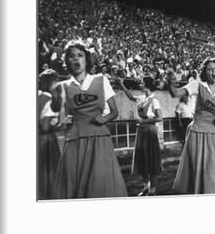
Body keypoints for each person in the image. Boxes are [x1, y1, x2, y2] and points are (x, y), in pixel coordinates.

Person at [53, 40, 128, 199]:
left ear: (86, 59)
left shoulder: (101, 80)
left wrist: (104, 118)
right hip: (75, 141)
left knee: (100, 188)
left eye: (80, 55)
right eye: (72, 56)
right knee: (73, 190)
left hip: (99, 140)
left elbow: (115, 112)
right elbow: (60, 120)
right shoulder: (63, 86)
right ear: (67, 61)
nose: (76, 59)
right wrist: (62, 122)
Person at [166, 58, 215, 194]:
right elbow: (176, 93)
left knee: (213, 170)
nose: (213, 71)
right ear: (204, 72)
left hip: (214, 135)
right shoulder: (197, 85)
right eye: (209, 69)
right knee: (197, 170)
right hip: (197, 133)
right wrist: (170, 81)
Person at [119, 77, 163, 196]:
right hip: (141, 132)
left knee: (152, 160)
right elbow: (130, 96)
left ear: (147, 86)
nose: (140, 84)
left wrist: (144, 122)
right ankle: (146, 186)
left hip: (150, 131)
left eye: (142, 83)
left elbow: (159, 118)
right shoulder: (141, 98)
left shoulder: (154, 101)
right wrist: (122, 85)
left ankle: (153, 189)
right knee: (142, 159)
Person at [37, 69, 65, 199]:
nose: (58, 83)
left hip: (40, 139)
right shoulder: (47, 98)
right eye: (56, 80)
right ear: (50, 82)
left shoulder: (38, 95)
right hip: (46, 139)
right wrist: (58, 123)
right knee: (49, 172)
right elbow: (45, 125)